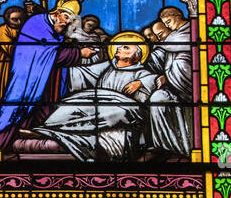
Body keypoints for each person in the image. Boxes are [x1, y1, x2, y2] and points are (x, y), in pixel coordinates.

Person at [33, 34, 163, 160]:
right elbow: (82, 73)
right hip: (97, 102)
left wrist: (140, 82)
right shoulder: (106, 67)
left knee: (115, 112)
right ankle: (47, 130)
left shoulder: (142, 73)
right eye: (119, 46)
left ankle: (50, 132)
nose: (119, 48)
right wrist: (50, 66)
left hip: (126, 110)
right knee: (70, 105)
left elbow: (157, 80)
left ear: (137, 55)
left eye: (126, 47)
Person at [0, 0, 96, 147]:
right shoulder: (36, 24)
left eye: (71, 21)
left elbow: (52, 52)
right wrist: (79, 54)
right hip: (26, 78)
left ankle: (35, 132)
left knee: (44, 110)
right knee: (16, 111)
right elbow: (46, 54)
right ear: (57, 13)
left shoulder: (54, 27)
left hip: (44, 80)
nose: (67, 23)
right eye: (66, 18)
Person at [146, 6, 194, 157]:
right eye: (165, 23)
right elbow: (162, 55)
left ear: (177, 15)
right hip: (173, 82)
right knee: (156, 98)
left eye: (168, 21)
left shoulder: (190, 30)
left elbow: (178, 49)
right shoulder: (171, 37)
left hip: (187, 82)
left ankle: (186, 147)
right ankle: (165, 146)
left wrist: (169, 75)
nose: (167, 24)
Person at [0, 5, 25, 102]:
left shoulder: (23, 29)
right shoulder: (2, 30)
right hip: (6, 64)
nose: (19, 22)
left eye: (21, 19)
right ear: (7, 18)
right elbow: (10, 49)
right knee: (5, 89)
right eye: (15, 19)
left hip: (22, 65)